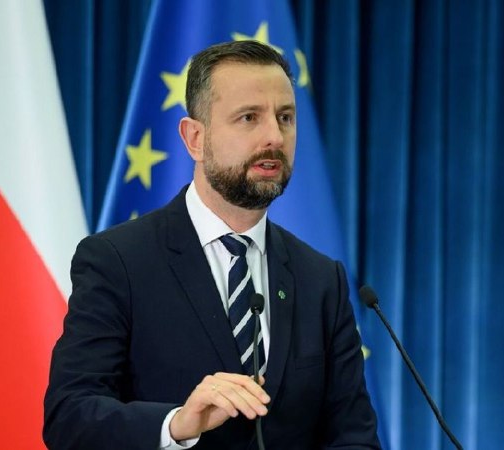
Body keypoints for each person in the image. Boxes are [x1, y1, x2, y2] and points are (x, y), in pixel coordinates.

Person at [43, 40, 380, 450]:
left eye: (285, 117)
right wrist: (175, 424)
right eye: (249, 117)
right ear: (195, 138)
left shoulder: (321, 278)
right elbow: (69, 417)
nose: (274, 136)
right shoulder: (118, 261)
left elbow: (354, 437)